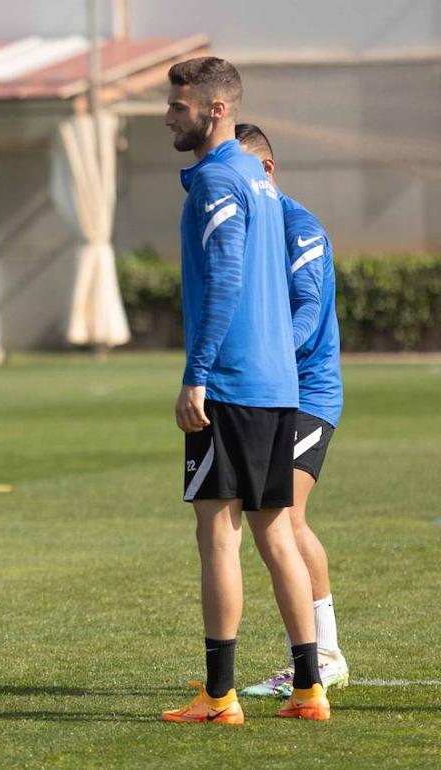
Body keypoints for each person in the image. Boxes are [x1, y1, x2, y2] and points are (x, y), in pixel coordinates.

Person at [158, 57, 330, 723]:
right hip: (276, 384)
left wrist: (196, 373)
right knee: (275, 535)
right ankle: (310, 689)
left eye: (179, 106)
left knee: (217, 534)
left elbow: (227, 273)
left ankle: (219, 695)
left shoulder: (217, 179)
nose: (169, 116)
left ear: (215, 110)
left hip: (231, 383)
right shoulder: (260, 186)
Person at [234, 123, 349, 698]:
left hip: (307, 394)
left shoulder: (300, 230)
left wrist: (269, 349)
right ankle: (315, 656)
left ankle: (322, 656)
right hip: (262, 392)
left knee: (286, 518)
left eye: (243, 172)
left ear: (268, 171)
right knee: (265, 521)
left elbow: (306, 310)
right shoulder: (242, 231)